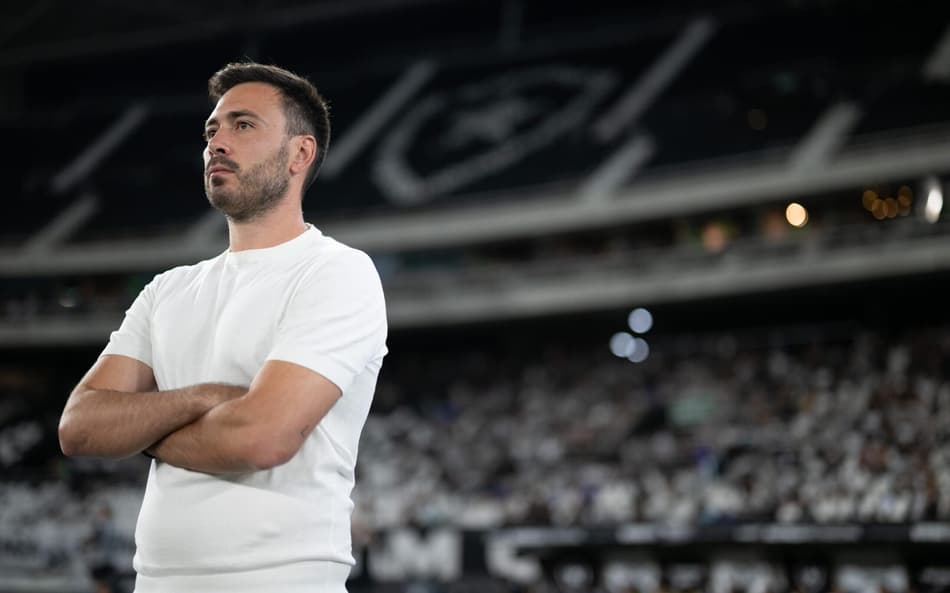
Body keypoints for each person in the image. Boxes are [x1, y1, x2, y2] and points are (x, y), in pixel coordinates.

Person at [58, 62, 388, 592]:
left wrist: (138, 430)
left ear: (300, 154)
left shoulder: (337, 272)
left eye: (243, 125)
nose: (217, 143)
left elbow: (262, 438)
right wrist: (205, 398)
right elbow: (78, 427)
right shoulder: (167, 289)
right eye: (212, 130)